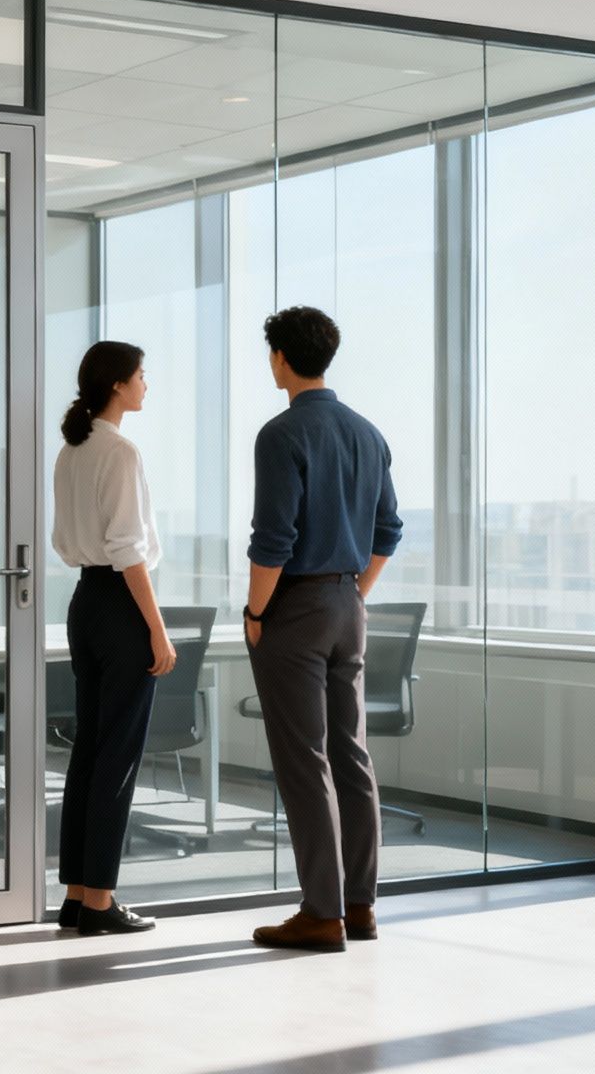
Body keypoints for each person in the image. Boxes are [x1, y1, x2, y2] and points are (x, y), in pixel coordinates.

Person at [241, 305, 401, 953]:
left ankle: (320, 913)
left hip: (296, 610)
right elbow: (388, 531)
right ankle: (359, 907)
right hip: (348, 606)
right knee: (351, 756)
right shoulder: (368, 433)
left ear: (280, 358)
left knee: (305, 761)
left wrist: (256, 613)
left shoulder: (281, 434)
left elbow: (272, 541)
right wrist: (354, 591)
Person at [49, 340, 176, 936]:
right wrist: (157, 628)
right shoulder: (120, 451)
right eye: (142, 375)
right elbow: (128, 550)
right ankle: (100, 901)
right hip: (121, 606)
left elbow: (66, 540)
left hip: (85, 603)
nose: (147, 384)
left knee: (90, 751)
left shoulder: (71, 450)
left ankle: (77, 895)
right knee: (117, 756)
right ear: (119, 384)